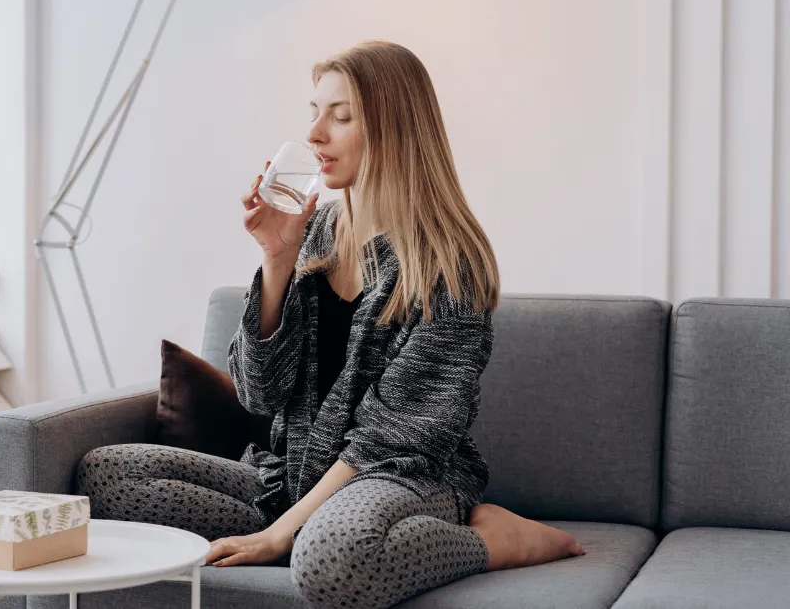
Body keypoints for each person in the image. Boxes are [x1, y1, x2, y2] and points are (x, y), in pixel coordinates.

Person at [76, 40, 583, 608]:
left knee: (333, 562)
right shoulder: (315, 232)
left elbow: (393, 439)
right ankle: (317, 531)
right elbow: (260, 393)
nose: (316, 134)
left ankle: (493, 541)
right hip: (290, 478)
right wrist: (277, 258)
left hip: (402, 481)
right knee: (106, 475)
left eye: (340, 117)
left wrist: (278, 535)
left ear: (394, 129)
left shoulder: (448, 262)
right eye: (313, 112)